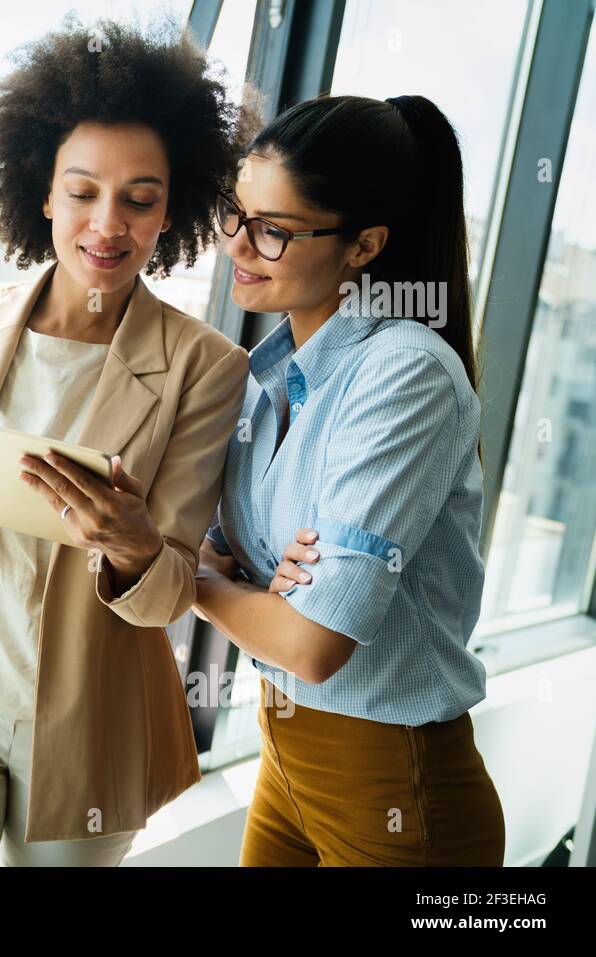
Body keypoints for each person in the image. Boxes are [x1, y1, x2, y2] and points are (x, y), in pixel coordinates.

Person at [0, 17, 252, 866]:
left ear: (170, 211)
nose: (107, 224)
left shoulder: (206, 368)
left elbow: (173, 586)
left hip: (93, 717)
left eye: (139, 198)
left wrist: (134, 546)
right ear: (43, 191)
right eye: (82, 191)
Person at [193, 94, 507, 866]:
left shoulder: (406, 372)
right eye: (237, 213)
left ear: (363, 246)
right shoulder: (270, 376)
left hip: (398, 793)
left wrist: (191, 583)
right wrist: (245, 583)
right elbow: (221, 547)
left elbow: (310, 642)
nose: (239, 245)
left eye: (275, 230)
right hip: (286, 764)